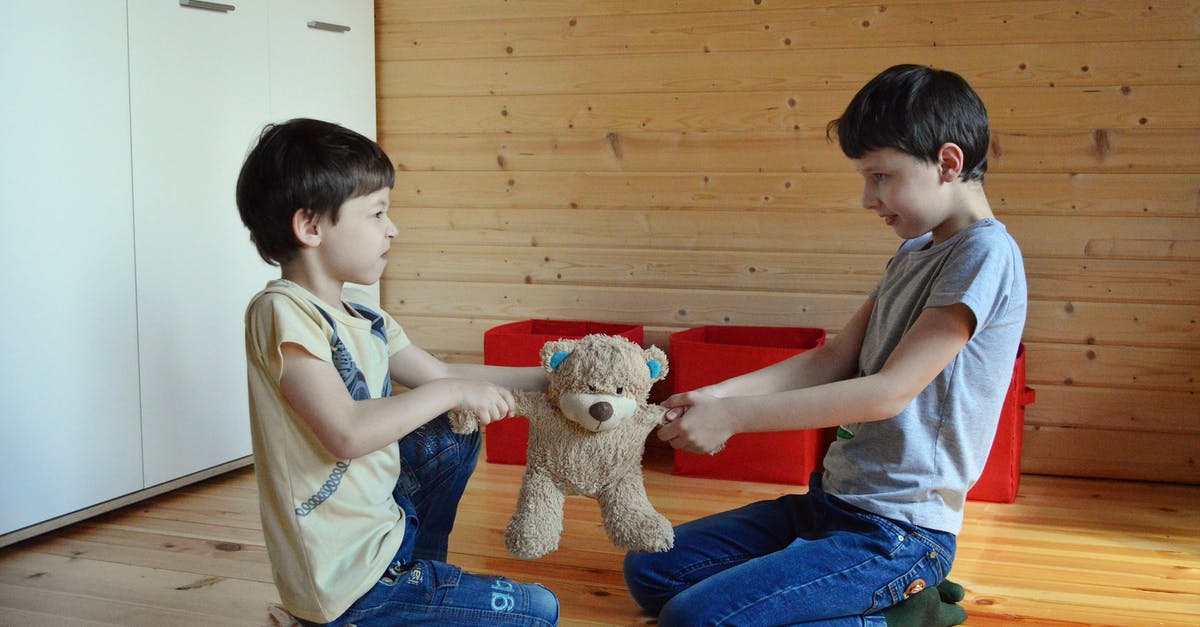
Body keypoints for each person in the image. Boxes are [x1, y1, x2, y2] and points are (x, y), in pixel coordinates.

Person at [624, 64, 1027, 626]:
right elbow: (832, 357)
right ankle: (873, 593)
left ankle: (900, 613)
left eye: (880, 175)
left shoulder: (985, 256)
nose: (868, 197)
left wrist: (735, 418)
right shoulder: (913, 253)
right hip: (832, 503)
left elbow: (888, 393)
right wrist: (715, 396)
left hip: (902, 531)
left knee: (695, 621)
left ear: (948, 163)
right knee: (650, 568)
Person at [236, 118, 559, 626]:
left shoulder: (364, 315)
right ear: (311, 227)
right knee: (539, 613)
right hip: (344, 585)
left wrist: (551, 381)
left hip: (384, 532)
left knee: (454, 435)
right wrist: (454, 391)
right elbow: (345, 432)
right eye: (377, 213)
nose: (393, 228)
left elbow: (441, 373)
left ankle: (419, 577)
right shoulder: (281, 311)